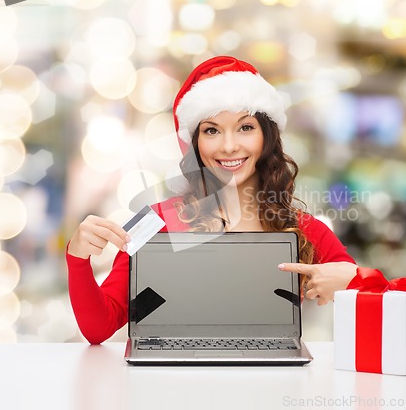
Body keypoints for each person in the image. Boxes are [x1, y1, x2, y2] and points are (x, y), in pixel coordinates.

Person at [67, 56, 358, 344]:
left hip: (268, 380)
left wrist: (353, 280)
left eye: (245, 127)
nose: (229, 146)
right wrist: (78, 258)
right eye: (211, 130)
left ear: (266, 136)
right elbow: (99, 327)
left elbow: (375, 300)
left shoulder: (301, 228)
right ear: (194, 143)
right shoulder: (155, 222)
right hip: (172, 381)